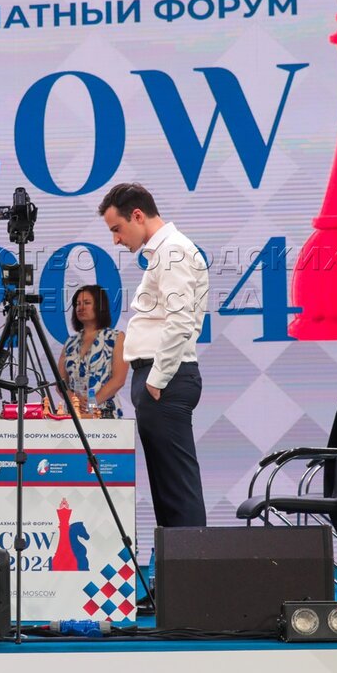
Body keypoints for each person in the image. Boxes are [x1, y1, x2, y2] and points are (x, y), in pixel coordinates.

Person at [98, 183, 208, 528]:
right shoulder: (165, 251)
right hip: (160, 377)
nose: (116, 240)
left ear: (137, 215)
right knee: (168, 490)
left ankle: (192, 561)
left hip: (165, 378)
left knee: (177, 491)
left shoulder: (173, 250)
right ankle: (179, 560)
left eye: (117, 229)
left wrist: (157, 380)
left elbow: (180, 321)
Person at [57, 285, 128, 416]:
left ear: (100, 306)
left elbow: (119, 379)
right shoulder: (70, 342)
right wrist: (72, 399)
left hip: (105, 413)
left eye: (87, 303)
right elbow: (60, 383)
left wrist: (91, 403)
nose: (81, 307)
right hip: (73, 414)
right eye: (78, 304)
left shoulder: (116, 337)